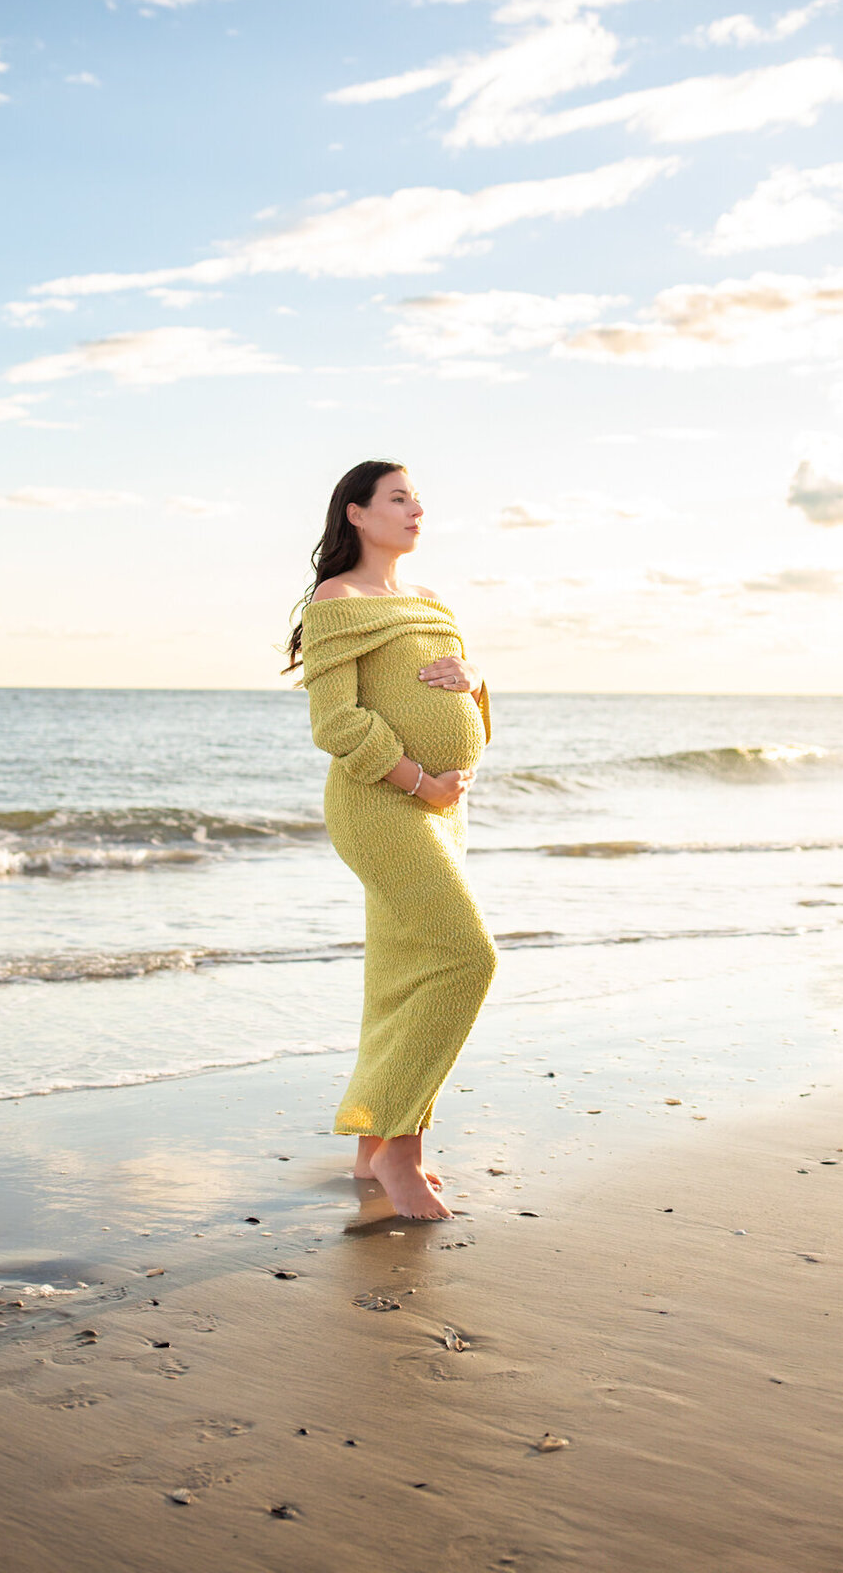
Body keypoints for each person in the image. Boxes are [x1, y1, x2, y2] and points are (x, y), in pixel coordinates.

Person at [284, 460, 497, 1220]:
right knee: (468, 957)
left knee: (402, 975)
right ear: (356, 514)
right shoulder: (334, 600)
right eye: (398, 499)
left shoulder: (432, 601)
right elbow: (336, 724)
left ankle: (371, 1147)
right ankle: (404, 1152)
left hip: (444, 809)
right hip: (382, 804)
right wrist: (418, 780)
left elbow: (462, 698)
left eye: (417, 500)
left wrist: (474, 677)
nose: (415, 511)